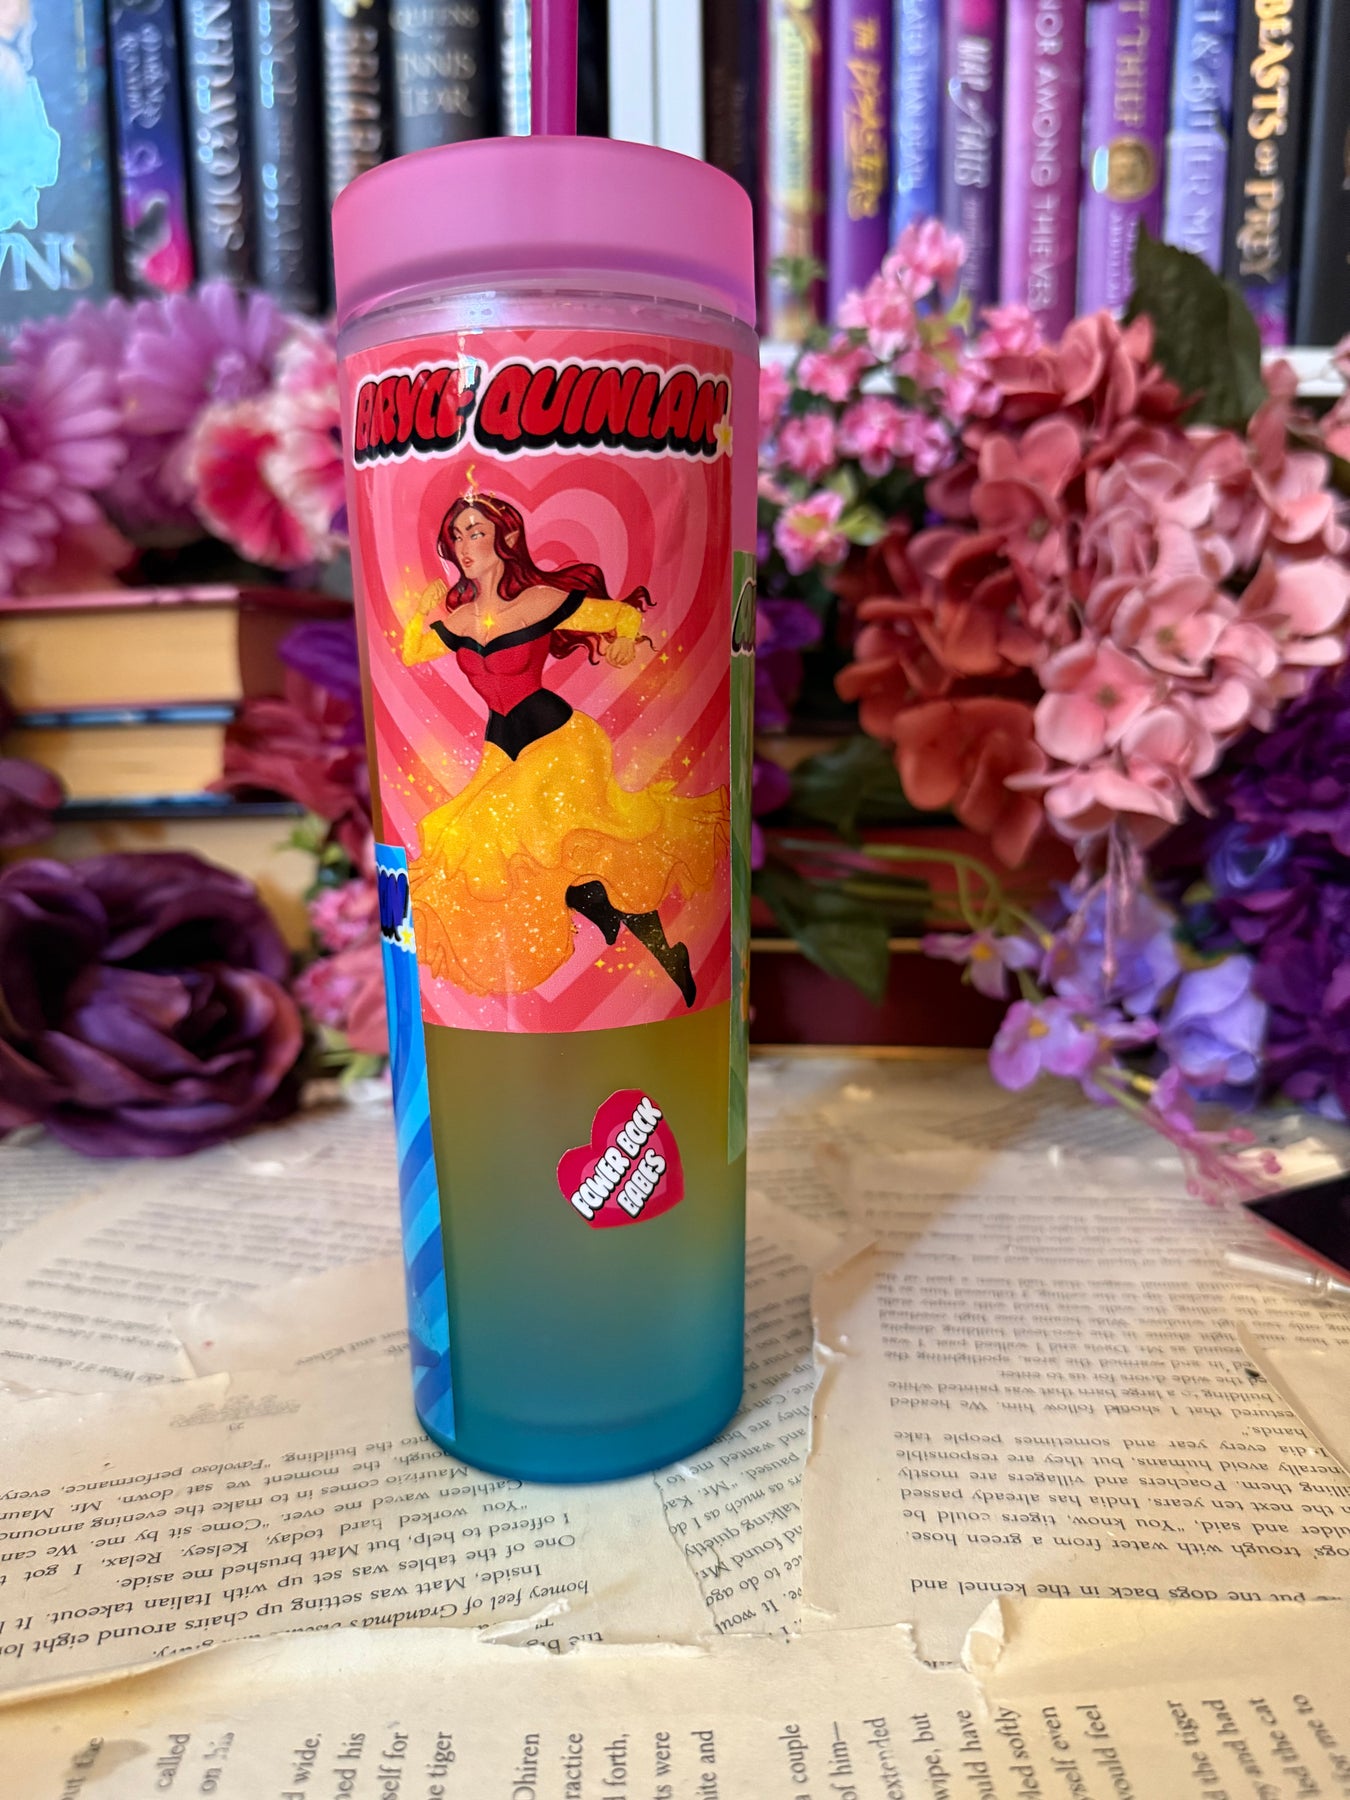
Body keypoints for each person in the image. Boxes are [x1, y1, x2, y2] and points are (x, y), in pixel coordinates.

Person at [399, 490, 727, 1004]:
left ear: (507, 538)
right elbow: (412, 653)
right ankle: (636, 930)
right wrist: (421, 610)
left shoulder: (540, 603)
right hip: (501, 747)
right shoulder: (460, 621)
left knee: (553, 844)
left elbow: (620, 616)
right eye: (457, 536)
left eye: (476, 532)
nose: (464, 546)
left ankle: (616, 916)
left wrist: (624, 639)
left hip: (560, 741)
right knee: (472, 842)